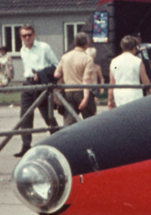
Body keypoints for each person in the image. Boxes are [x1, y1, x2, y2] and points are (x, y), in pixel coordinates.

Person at [16, 25, 59, 156]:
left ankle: (58, 142)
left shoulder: (44, 47)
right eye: (24, 35)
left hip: (41, 84)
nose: (27, 37)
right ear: (21, 37)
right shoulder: (22, 50)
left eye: (29, 34)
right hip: (28, 83)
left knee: (48, 115)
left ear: (34, 35)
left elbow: (56, 65)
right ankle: (26, 145)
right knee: (25, 116)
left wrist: (41, 73)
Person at [55, 32, 100, 124]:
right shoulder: (87, 59)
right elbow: (86, 79)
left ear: (75, 43)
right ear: (87, 44)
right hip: (82, 92)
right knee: (90, 121)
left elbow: (57, 74)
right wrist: (86, 98)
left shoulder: (65, 57)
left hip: (68, 92)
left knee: (69, 121)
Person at [108, 35, 151, 109]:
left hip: (119, 94)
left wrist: (110, 99)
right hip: (135, 94)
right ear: (134, 48)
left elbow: (112, 82)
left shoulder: (114, 62)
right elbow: (145, 81)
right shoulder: (138, 61)